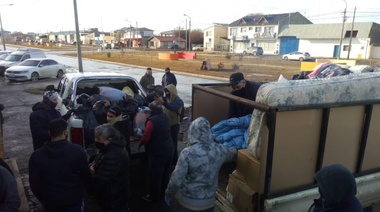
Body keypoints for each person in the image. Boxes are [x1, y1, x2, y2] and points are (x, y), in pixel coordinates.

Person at [165, 117, 237, 212]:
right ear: (208, 132)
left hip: (187, 204)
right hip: (208, 205)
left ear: (192, 132)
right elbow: (233, 153)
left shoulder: (187, 153)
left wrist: (168, 194)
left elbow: (176, 180)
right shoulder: (219, 150)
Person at [28, 118, 89, 212]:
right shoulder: (78, 151)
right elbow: (85, 176)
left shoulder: (36, 156)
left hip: (51, 202)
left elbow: (34, 183)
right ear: (65, 132)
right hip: (73, 200)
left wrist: (44, 199)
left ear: (49, 133)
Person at [88, 123, 130, 211]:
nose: (95, 140)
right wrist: (93, 164)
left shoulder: (112, 157)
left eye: (98, 139)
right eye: (95, 137)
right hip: (116, 194)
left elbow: (100, 181)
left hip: (113, 199)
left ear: (109, 140)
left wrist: (90, 191)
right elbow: (99, 157)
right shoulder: (111, 147)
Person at [138, 100, 174, 202]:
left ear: (151, 110)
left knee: (155, 175)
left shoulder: (151, 121)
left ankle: (153, 196)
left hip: (158, 152)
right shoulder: (166, 116)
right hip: (169, 148)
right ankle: (164, 192)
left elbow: (146, 136)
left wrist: (140, 144)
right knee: (165, 172)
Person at [156, 84, 184, 165]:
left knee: (173, 144)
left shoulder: (178, 101)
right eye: (166, 92)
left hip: (174, 125)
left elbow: (172, 107)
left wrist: (163, 103)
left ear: (172, 91)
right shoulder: (167, 98)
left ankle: (174, 161)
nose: (167, 93)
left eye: (168, 91)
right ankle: (169, 159)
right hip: (168, 124)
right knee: (167, 143)